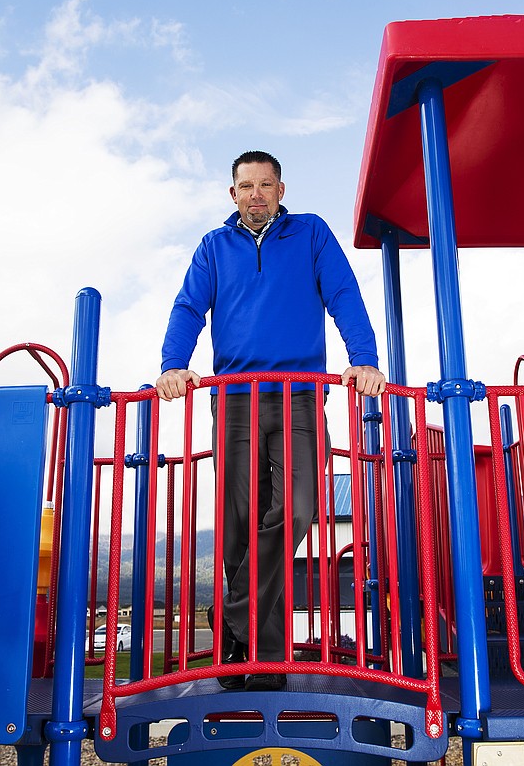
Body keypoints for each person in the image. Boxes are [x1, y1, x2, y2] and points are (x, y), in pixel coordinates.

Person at [156, 150, 386, 691]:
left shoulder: (309, 234)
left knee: (299, 507)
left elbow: (343, 294)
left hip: (299, 394)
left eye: (265, 185)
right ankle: (257, 655)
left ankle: (233, 614)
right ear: (231, 194)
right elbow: (189, 307)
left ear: (282, 189)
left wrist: (364, 356)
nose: (255, 194)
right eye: (245, 186)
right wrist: (172, 365)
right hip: (234, 395)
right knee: (240, 520)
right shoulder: (215, 246)